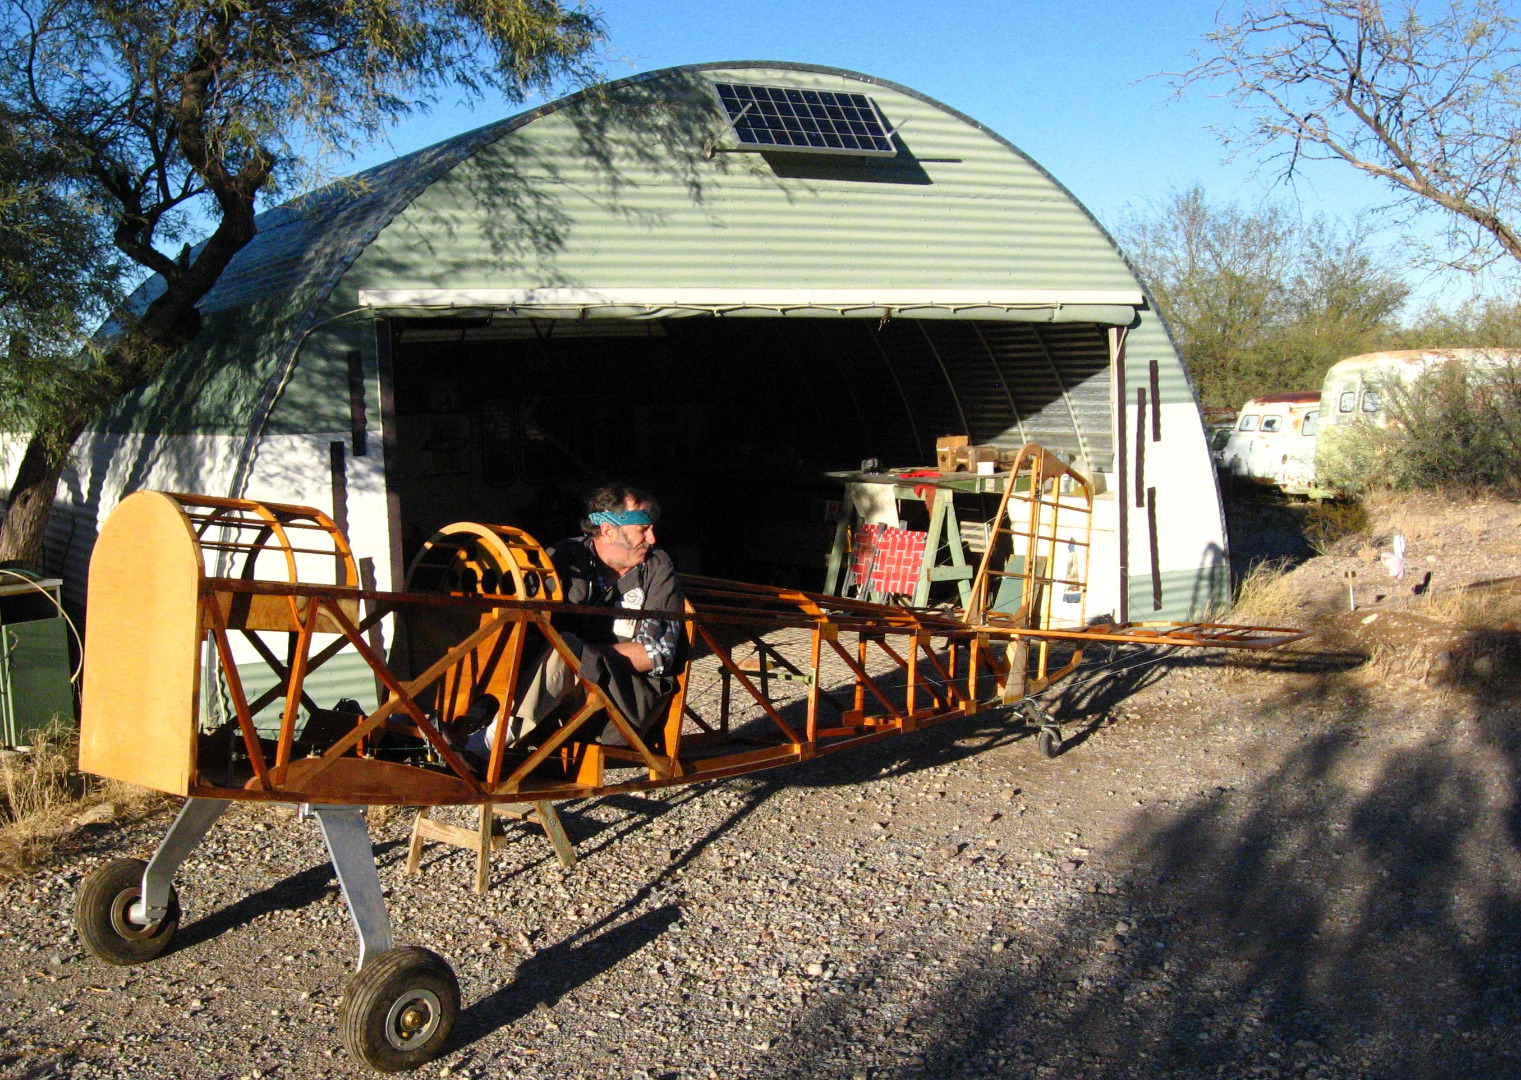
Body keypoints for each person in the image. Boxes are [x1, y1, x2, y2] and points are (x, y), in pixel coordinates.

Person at [459, 483, 685, 765]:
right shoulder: (565, 557)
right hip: (559, 702)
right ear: (608, 530)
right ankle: (429, 721)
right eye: (643, 529)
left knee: (567, 647)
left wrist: (583, 655)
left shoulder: (657, 569)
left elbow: (658, 654)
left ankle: (488, 743)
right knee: (501, 630)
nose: (652, 539)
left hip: (622, 707)